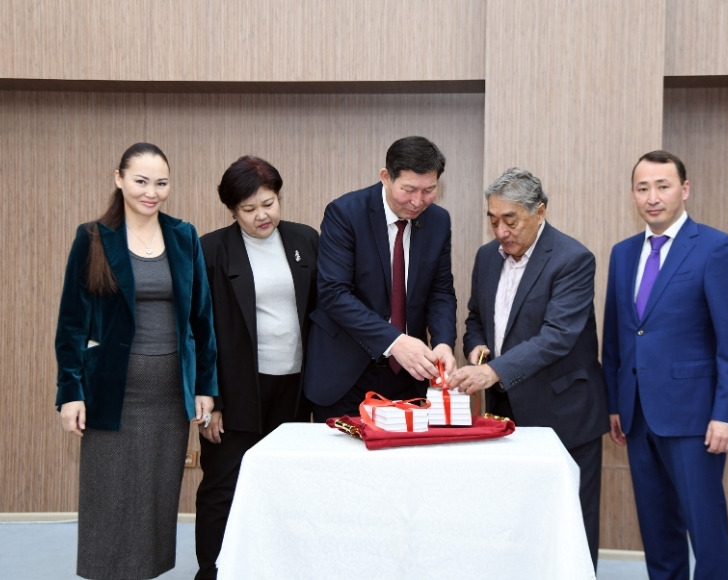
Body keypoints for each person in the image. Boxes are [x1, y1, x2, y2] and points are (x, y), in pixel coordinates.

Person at [55, 142, 218, 579]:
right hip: (112, 390)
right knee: (108, 497)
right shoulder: (92, 237)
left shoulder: (183, 236)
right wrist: (70, 393)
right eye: (141, 181)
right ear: (119, 179)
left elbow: (201, 318)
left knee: (155, 499)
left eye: (161, 183)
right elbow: (71, 324)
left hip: (169, 393)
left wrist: (205, 386)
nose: (152, 192)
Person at [602, 150, 728, 580]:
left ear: (684, 190)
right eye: (643, 188)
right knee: (657, 531)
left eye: (663, 186)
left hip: (695, 418)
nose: (652, 197)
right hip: (637, 415)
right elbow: (616, 337)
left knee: (705, 530)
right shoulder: (623, 254)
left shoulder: (716, 248)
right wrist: (615, 403)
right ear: (633, 194)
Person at [449, 167, 608, 569]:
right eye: (493, 220)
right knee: (515, 521)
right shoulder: (487, 257)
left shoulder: (572, 259)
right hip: (504, 411)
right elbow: (475, 318)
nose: (501, 231)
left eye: (510, 220)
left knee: (571, 524)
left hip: (564, 411)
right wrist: (476, 346)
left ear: (539, 211)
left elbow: (557, 336)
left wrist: (493, 372)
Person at [195, 156, 319, 580]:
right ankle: (212, 570)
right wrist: (212, 401)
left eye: (269, 204)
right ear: (233, 210)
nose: (261, 216)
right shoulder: (212, 250)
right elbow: (200, 330)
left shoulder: (305, 240)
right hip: (236, 390)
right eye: (249, 209)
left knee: (284, 481)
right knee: (223, 485)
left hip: (294, 387)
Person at [303, 136, 457, 421]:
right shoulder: (345, 213)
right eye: (408, 189)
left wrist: (443, 342)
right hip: (346, 375)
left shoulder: (438, 221)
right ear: (386, 177)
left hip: (410, 376)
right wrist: (395, 341)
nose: (418, 201)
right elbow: (334, 293)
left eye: (429, 190)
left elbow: (440, 291)